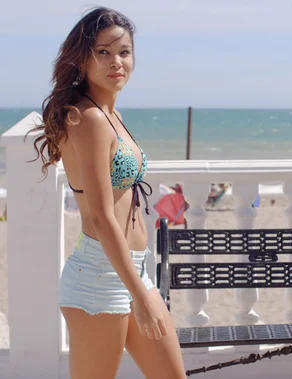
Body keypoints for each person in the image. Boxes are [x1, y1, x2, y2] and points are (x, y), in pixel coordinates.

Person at [27, 7, 186, 378]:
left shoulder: (108, 112)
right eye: (103, 52)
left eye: (124, 52)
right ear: (81, 59)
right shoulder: (89, 118)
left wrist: (139, 287)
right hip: (101, 278)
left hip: (130, 270)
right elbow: (100, 215)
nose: (117, 62)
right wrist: (142, 296)